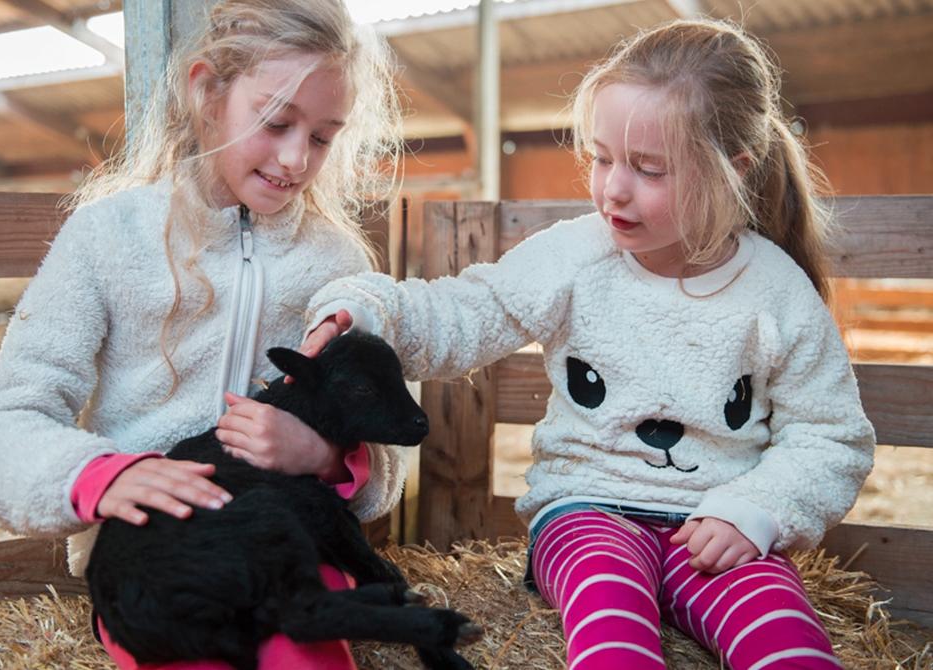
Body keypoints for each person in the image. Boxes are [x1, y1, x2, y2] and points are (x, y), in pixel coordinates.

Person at [303, 18, 875, 670]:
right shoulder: (575, 258)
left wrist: (758, 512)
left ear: (732, 171)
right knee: (611, 630)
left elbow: (832, 435)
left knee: (789, 645)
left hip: (721, 526)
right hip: (587, 512)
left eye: (648, 169)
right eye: (602, 158)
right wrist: (366, 313)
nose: (613, 188)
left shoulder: (774, 290)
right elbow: (465, 312)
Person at [0, 1, 405, 668]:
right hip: (152, 550)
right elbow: (3, 421)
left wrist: (325, 456)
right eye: (275, 121)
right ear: (207, 91)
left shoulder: (335, 265)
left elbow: (382, 436)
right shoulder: (108, 237)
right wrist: (102, 475)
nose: (295, 159)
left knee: (300, 652)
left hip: (286, 537)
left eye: (321, 137)